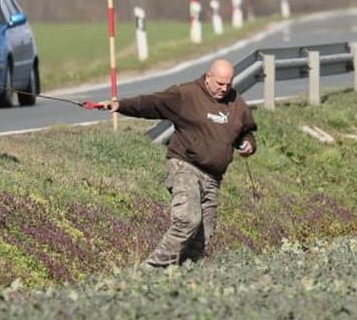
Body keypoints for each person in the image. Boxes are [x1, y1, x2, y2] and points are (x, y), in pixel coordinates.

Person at [109, 58, 257, 267]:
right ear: (208, 78)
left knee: (203, 236)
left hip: (213, 177)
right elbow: (151, 102)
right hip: (185, 166)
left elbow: (246, 132)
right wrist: (119, 105)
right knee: (187, 220)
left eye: (228, 84)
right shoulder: (186, 94)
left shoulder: (236, 103)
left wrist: (248, 144)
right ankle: (150, 271)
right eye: (219, 84)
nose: (224, 89)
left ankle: (183, 276)